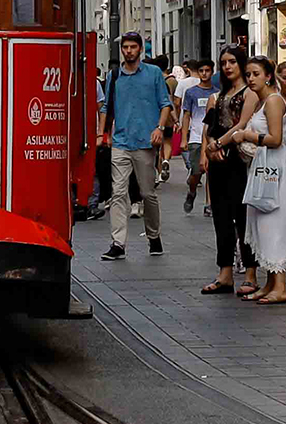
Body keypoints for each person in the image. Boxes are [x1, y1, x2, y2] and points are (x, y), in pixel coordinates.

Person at [222, 57, 286, 303]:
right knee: (261, 223)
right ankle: (270, 282)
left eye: (256, 73)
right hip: (261, 166)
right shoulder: (262, 102)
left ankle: (280, 286)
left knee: (273, 222)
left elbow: (275, 139)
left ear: (268, 75)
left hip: (273, 167)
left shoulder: (274, 101)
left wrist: (247, 135)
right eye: (248, 74)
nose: (251, 78)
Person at [99, 33, 172, 261]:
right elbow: (106, 107)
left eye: (133, 47)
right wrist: (103, 134)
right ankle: (118, 243)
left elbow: (165, 104)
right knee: (118, 192)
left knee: (147, 193)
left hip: (145, 143)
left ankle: (154, 235)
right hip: (121, 141)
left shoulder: (153, 74)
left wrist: (159, 128)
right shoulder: (115, 75)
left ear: (141, 49)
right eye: (125, 47)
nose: (129, 51)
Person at [197, 50, 257, 295]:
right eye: (224, 63)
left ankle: (251, 273)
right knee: (220, 217)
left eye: (232, 62)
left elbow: (241, 125)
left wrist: (217, 144)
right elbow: (210, 126)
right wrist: (209, 149)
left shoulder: (250, 93)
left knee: (244, 218)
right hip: (219, 160)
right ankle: (225, 273)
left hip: (239, 160)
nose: (228, 66)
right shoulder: (219, 95)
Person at [177, 60, 216, 215]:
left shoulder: (216, 92)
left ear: (212, 72)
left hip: (212, 137)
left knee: (211, 173)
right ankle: (192, 191)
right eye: (202, 70)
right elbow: (186, 115)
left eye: (207, 70)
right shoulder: (192, 92)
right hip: (195, 137)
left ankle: (209, 204)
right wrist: (184, 138)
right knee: (196, 173)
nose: (205, 73)